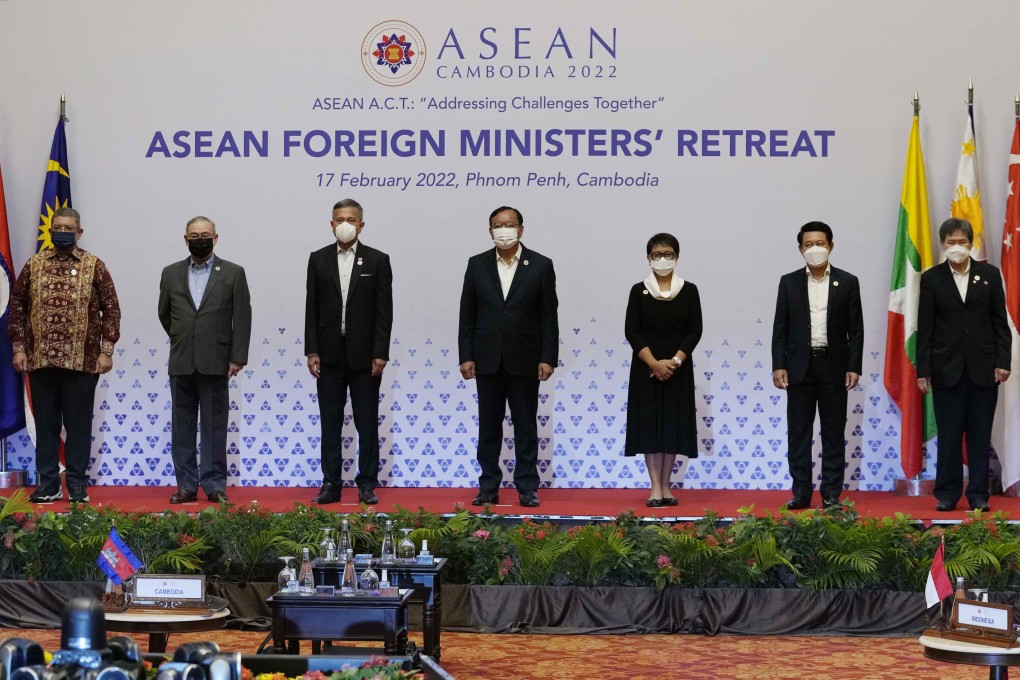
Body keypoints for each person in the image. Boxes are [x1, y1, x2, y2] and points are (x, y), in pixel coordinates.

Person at [8, 207, 121, 503]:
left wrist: (106, 351)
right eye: (58, 227)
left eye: (69, 228)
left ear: (79, 232)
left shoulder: (94, 265)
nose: (63, 232)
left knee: (78, 427)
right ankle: (48, 484)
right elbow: (17, 307)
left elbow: (111, 309)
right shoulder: (34, 264)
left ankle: (77, 484)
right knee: (46, 427)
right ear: (50, 230)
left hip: (82, 363)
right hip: (40, 361)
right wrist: (19, 348)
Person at [458, 206, 558, 507]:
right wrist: (466, 355)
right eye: (498, 225)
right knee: (488, 426)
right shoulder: (477, 264)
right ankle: (488, 485)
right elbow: (468, 314)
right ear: (490, 232)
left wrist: (548, 356)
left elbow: (548, 317)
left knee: (526, 425)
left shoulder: (540, 265)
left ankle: (527, 485)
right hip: (486, 357)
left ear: (521, 229)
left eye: (510, 224)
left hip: (525, 358)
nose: (504, 230)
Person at [917, 218, 1010, 512]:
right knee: (949, 436)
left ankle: (979, 495)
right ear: (943, 245)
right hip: (947, 370)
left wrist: (1002, 361)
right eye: (951, 242)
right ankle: (947, 493)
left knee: (980, 436)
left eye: (962, 241)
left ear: (971, 244)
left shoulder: (989, 275)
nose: (957, 247)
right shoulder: (932, 278)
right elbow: (926, 327)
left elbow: (1000, 323)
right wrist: (924, 370)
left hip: (984, 369)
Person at [158, 216, 251, 504]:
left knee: (214, 426)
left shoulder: (234, 272)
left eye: (206, 234)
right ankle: (186, 485)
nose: (200, 239)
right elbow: (165, 313)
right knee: (182, 426)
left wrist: (236, 357)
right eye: (194, 235)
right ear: (185, 239)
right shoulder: (170, 272)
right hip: (182, 359)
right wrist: (183, 336)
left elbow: (243, 317)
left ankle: (214, 485)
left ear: (216, 237)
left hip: (217, 360)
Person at [305, 198, 393, 505]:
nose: (345, 224)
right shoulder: (318, 259)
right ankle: (331, 483)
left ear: (361, 225)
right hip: (328, 354)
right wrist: (312, 350)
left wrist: (380, 352)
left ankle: (367, 483)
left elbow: (385, 312)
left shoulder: (377, 260)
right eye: (340, 219)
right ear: (331, 224)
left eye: (351, 219)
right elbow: (311, 309)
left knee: (366, 421)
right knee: (330, 421)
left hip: (365, 356)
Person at [771, 221, 863, 510]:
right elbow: (780, 328)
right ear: (800, 249)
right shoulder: (789, 282)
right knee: (799, 432)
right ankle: (801, 492)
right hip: (799, 367)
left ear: (831, 246)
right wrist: (778, 364)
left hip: (834, 366)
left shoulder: (848, 281)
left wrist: (854, 365)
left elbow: (856, 329)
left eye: (820, 244)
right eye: (808, 245)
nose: (815, 249)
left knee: (834, 432)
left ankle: (832, 493)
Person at [624, 234, 703, 507]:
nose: (662, 258)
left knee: (671, 428)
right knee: (650, 428)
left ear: (677, 257)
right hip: (646, 368)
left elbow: (695, 331)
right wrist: (654, 363)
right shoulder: (638, 290)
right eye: (657, 254)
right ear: (648, 257)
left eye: (668, 253)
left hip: (678, 369)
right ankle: (654, 487)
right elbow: (631, 332)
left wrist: (675, 362)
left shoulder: (689, 290)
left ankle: (667, 486)